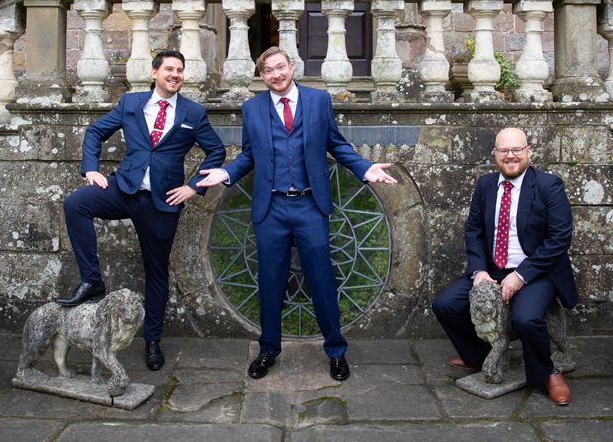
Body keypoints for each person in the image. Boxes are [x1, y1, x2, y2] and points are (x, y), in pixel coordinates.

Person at [197, 46, 397, 382]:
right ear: (262, 77)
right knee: (270, 283)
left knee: (322, 281)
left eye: (280, 67)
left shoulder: (318, 102)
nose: (276, 75)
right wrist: (226, 173)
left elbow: (337, 144)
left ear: (292, 67)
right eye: (268, 71)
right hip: (271, 207)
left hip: (310, 206)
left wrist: (365, 169)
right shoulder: (252, 108)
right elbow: (249, 156)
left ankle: (336, 351)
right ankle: (268, 349)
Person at [57, 49, 225, 372]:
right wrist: (91, 168)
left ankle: (152, 341)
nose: (175, 75)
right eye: (169, 70)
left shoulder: (193, 113)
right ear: (154, 73)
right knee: (75, 204)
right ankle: (92, 280)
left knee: (156, 271)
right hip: (124, 188)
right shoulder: (131, 104)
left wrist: (194, 187)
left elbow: (215, 149)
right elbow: (95, 132)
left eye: (180, 70)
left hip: (163, 202)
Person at [431, 127, 577, 405]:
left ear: (528, 152)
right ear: (495, 154)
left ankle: (548, 372)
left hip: (536, 271)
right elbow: (473, 229)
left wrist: (521, 275)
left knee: (525, 319)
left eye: (516, 150)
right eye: (504, 151)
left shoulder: (549, 185)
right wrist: (479, 271)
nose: (510, 156)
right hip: (493, 269)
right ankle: (478, 356)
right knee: (445, 305)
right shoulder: (486, 185)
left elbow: (559, 239)